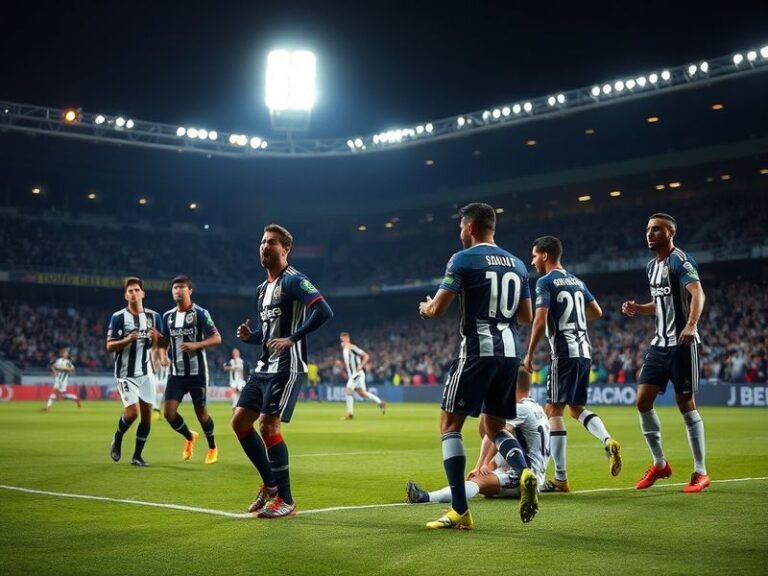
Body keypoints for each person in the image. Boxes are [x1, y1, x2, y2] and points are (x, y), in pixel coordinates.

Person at [418, 202, 537, 530]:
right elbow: (525, 317)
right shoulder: (517, 263)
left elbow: (439, 309)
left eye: (461, 227)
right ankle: (524, 470)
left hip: (476, 351)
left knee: (449, 424)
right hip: (510, 353)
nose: (460, 233)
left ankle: (460, 510)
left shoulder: (462, 259)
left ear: (470, 228)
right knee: (495, 426)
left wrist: (426, 307)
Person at [232, 224, 333, 518]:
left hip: (288, 366)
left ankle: (286, 500)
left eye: (272, 242)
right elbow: (268, 333)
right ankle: (270, 485)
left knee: (268, 426)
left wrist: (293, 338)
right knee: (239, 423)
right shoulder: (262, 289)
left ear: (286, 249)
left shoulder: (295, 280)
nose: (265, 246)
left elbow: (324, 310)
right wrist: (250, 337)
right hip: (264, 366)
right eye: (263, 242)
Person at [522, 236, 621, 492]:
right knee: (576, 409)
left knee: (553, 412)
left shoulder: (545, 282)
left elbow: (540, 320)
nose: (532, 261)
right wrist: (576, 318)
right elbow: (596, 311)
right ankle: (607, 439)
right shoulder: (577, 281)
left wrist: (529, 354)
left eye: (534, 256)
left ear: (545, 255)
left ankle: (561, 479)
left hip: (564, 353)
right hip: (584, 351)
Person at [622, 213, 710, 493]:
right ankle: (660, 463)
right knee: (642, 401)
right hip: (658, 344)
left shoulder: (680, 261)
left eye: (657, 229)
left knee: (686, 404)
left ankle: (700, 472)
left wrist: (691, 325)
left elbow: (698, 294)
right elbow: (661, 304)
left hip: (683, 345)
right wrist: (639, 308)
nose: (650, 234)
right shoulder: (651, 266)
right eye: (648, 229)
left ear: (671, 232)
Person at [406, 368, 550, 504]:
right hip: (531, 470)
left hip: (523, 475)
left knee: (477, 482)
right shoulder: (537, 408)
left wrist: (482, 464)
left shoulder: (519, 409)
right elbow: (500, 438)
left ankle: (425, 497)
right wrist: (490, 465)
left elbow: (496, 434)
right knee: (484, 481)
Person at [160, 275, 222, 464]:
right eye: (175, 288)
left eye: (181, 287)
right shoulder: (168, 316)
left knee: (201, 413)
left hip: (197, 373)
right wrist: (163, 355)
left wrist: (196, 345)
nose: (177, 291)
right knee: (169, 414)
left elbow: (216, 338)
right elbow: (164, 341)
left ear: (190, 291)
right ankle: (189, 436)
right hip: (176, 374)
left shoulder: (200, 313)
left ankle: (212, 446)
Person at [106, 277, 164, 467]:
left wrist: (160, 340)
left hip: (146, 373)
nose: (134, 293)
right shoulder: (118, 317)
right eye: (130, 291)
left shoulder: (154, 317)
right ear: (125, 295)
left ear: (143, 293)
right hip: (125, 373)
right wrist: (126, 340)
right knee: (132, 413)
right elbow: (109, 346)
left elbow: (162, 344)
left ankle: (137, 456)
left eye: (137, 290)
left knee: (147, 417)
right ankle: (118, 436)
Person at [339, 332, 386, 419]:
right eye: (341, 340)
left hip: (357, 374)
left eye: (344, 340)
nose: (342, 342)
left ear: (348, 339)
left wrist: (360, 366)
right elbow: (348, 363)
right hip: (353, 375)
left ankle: (350, 414)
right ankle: (380, 403)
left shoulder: (353, 348)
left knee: (348, 390)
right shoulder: (345, 350)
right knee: (362, 394)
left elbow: (366, 356)